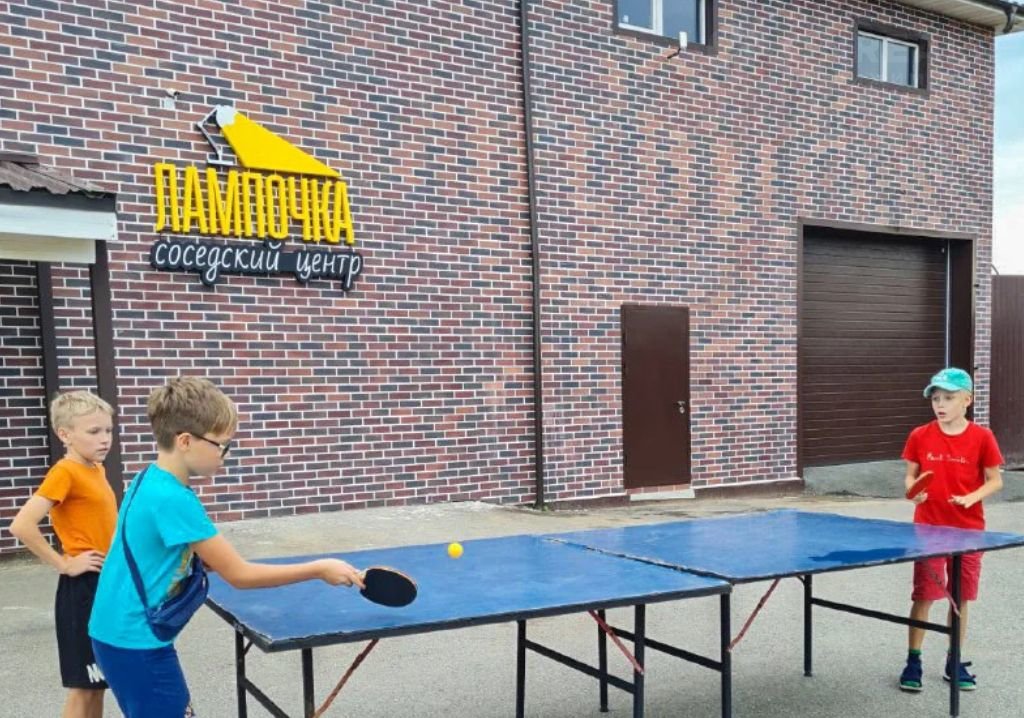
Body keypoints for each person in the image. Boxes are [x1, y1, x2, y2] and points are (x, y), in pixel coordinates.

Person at [88, 376, 364, 717]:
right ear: (186, 441)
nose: (225, 456)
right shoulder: (174, 499)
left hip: (113, 631)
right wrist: (320, 568)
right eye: (221, 445)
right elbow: (240, 575)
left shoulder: (149, 478)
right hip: (136, 641)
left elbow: (151, 547)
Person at [8, 390, 117, 718]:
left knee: (97, 680)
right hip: (82, 588)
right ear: (65, 434)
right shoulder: (65, 472)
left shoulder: (95, 468)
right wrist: (64, 564)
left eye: (108, 430)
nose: (104, 438)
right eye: (93, 431)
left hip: (104, 583)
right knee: (83, 686)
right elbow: (22, 525)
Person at [898, 367, 1004, 693]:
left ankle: (953, 661)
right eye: (936, 398)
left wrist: (971, 498)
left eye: (948, 398)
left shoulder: (983, 437)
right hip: (928, 529)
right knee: (925, 596)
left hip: (969, 531)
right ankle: (913, 660)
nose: (940, 404)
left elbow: (995, 481)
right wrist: (913, 490)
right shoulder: (920, 435)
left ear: (967, 400)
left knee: (959, 599)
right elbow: (910, 477)